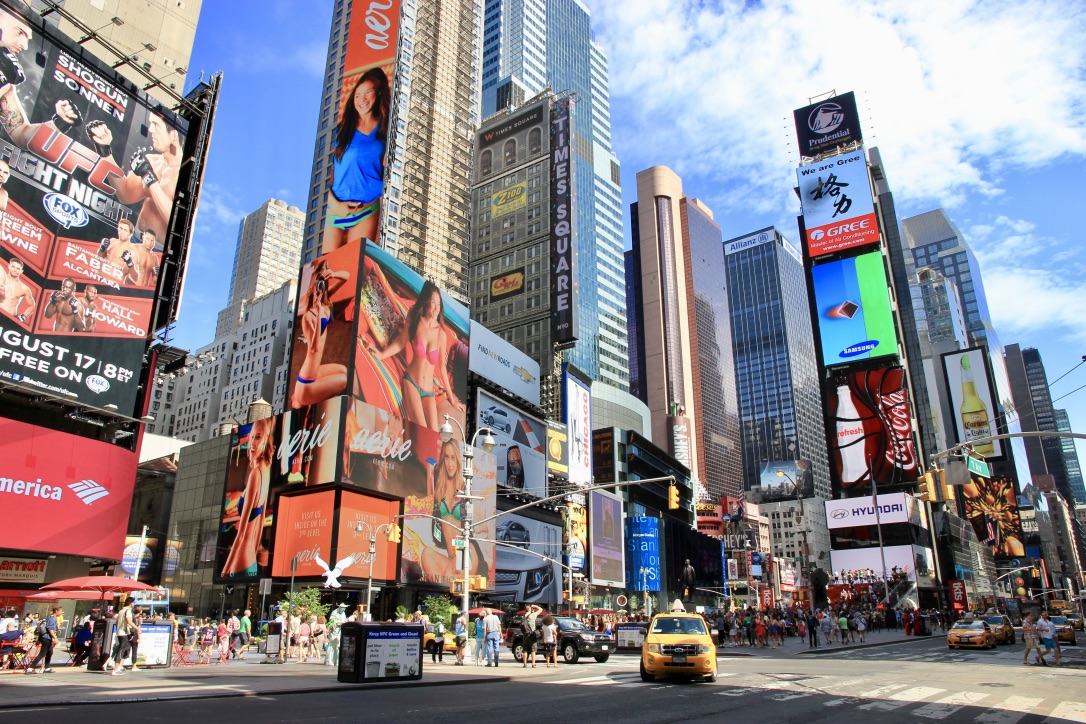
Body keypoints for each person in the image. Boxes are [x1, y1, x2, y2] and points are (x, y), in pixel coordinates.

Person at [365, 280, 465, 430]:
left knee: (435, 433)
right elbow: (401, 341)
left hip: (428, 391)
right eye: (433, 302)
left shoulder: (441, 334)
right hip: (411, 382)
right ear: (425, 302)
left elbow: (443, 370)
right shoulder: (415, 318)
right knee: (422, 428)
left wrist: (453, 399)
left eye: (439, 304)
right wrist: (381, 355)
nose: (436, 308)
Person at [322, 67, 390, 253]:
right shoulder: (342, 130)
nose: (362, 100)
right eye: (358, 95)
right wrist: (334, 204)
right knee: (327, 266)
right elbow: (329, 174)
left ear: (378, 93)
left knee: (355, 268)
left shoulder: (387, 127)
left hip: (366, 210)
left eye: (368, 93)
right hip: (336, 208)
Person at [89, 111, 183, 243]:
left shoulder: (184, 176)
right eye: (151, 124)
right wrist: (105, 151)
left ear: (173, 134)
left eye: (156, 125)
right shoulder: (151, 161)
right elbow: (125, 194)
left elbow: (177, 223)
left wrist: (149, 179)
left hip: (158, 253)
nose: (151, 130)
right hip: (134, 240)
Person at [291, 261, 350, 408]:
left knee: (344, 369)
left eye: (324, 282)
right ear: (313, 286)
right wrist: (318, 316)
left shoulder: (325, 302)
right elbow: (314, 348)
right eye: (319, 283)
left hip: (314, 371)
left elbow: (347, 277)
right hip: (307, 382)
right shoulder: (308, 316)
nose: (322, 287)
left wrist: (334, 274)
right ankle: (300, 398)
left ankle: (299, 398)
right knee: (344, 380)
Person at [221, 416, 276, 576]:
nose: (252, 443)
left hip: (242, 556)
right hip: (250, 558)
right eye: (251, 437)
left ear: (267, 439)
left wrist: (224, 572)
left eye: (257, 437)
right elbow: (258, 527)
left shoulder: (255, 474)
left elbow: (242, 532)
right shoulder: (266, 471)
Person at [98, 218, 157, 286]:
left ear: (130, 234)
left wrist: (130, 263)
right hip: (100, 279)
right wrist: (102, 249)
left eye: (125, 230)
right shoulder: (112, 241)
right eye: (120, 228)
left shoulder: (132, 252)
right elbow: (100, 258)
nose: (122, 232)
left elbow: (135, 277)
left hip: (114, 286)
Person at [26, 606, 60, 674]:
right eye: (60, 611)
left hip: (44, 637)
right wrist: (55, 638)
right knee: (42, 653)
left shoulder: (49, 617)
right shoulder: (53, 618)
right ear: (56, 611)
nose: (61, 613)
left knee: (49, 652)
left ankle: (47, 668)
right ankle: (30, 668)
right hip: (46, 637)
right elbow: (50, 629)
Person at [1, 257, 34, 323]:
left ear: (21, 271)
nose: (15, 270)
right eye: (13, 267)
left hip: (9, 319)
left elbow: (33, 306)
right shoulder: (1, 278)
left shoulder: (24, 288)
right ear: (9, 266)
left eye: (18, 268)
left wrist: (23, 317)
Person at [109, 598, 135, 675]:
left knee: (123, 649)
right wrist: (137, 628)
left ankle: (118, 667)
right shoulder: (128, 611)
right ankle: (115, 669)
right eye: (133, 603)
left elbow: (117, 623)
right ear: (131, 603)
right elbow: (129, 621)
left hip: (119, 632)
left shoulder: (121, 611)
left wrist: (119, 629)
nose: (133, 604)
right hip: (124, 633)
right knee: (121, 651)